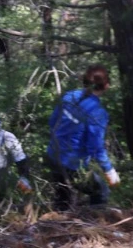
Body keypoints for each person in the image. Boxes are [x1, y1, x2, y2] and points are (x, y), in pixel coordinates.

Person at [46, 66, 119, 211]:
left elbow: (52, 122)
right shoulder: (98, 112)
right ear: (106, 85)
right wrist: (109, 170)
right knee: (100, 191)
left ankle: (57, 227)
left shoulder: (69, 96)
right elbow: (96, 147)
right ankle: (94, 229)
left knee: (62, 199)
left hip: (52, 156)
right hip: (72, 164)